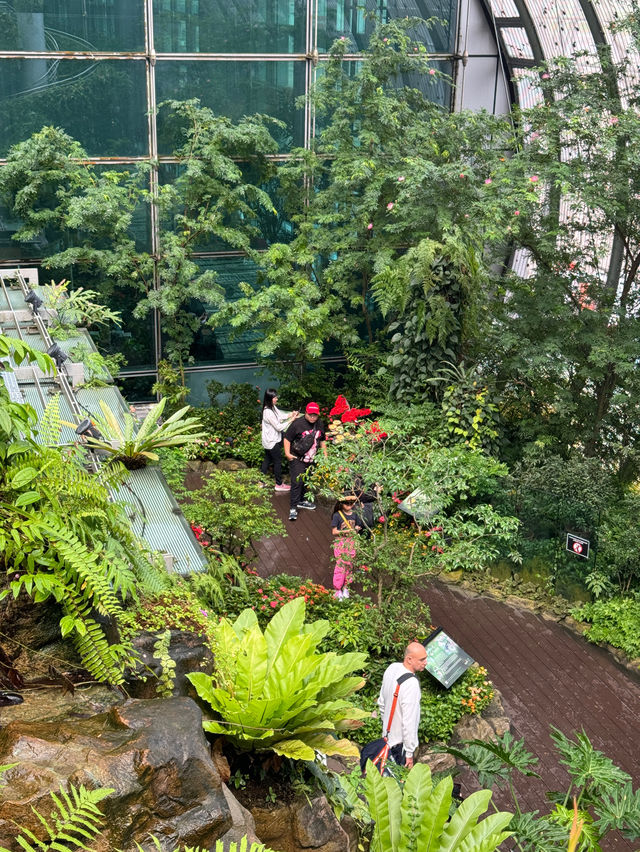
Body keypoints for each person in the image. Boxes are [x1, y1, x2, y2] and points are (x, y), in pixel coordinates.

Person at [377, 642, 427, 768]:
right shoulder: (411, 684)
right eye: (422, 659)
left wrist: (387, 725)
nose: (425, 662)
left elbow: (381, 703)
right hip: (400, 746)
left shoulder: (392, 668)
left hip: (386, 738)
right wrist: (409, 752)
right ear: (409, 659)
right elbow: (409, 721)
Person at [283, 402, 327, 522]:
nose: (313, 417)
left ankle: (301, 500)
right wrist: (287, 454)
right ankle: (293, 507)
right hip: (298, 457)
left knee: (306, 480)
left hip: (312, 458)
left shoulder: (319, 423)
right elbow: (287, 438)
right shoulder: (297, 424)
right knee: (297, 481)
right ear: (306, 413)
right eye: (310, 415)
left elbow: (322, 440)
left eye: (315, 415)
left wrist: (325, 456)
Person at [261, 389, 298, 492]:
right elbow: (278, 427)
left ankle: (261, 481)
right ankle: (278, 484)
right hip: (272, 441)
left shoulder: (272, 407)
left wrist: (291, 414)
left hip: (270, 440)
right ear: (270, 399)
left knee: (267, 459)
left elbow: (281, 416)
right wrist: (291, 420)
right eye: (275, 397)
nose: (277, 399)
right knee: (278, 461)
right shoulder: (267, 411)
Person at [331, 495, 362, 599]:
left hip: (352, 542)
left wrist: (356, 529)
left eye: (351, 503)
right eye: (347, 503)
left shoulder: (355, 514)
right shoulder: (337, 515)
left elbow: (358, 526)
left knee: (350, 564)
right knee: (340, 564)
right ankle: (337, 589)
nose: (349, 505)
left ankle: (346, 587)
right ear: (341, 504)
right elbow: (334, 531)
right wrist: (348, 531)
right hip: (341, 542)